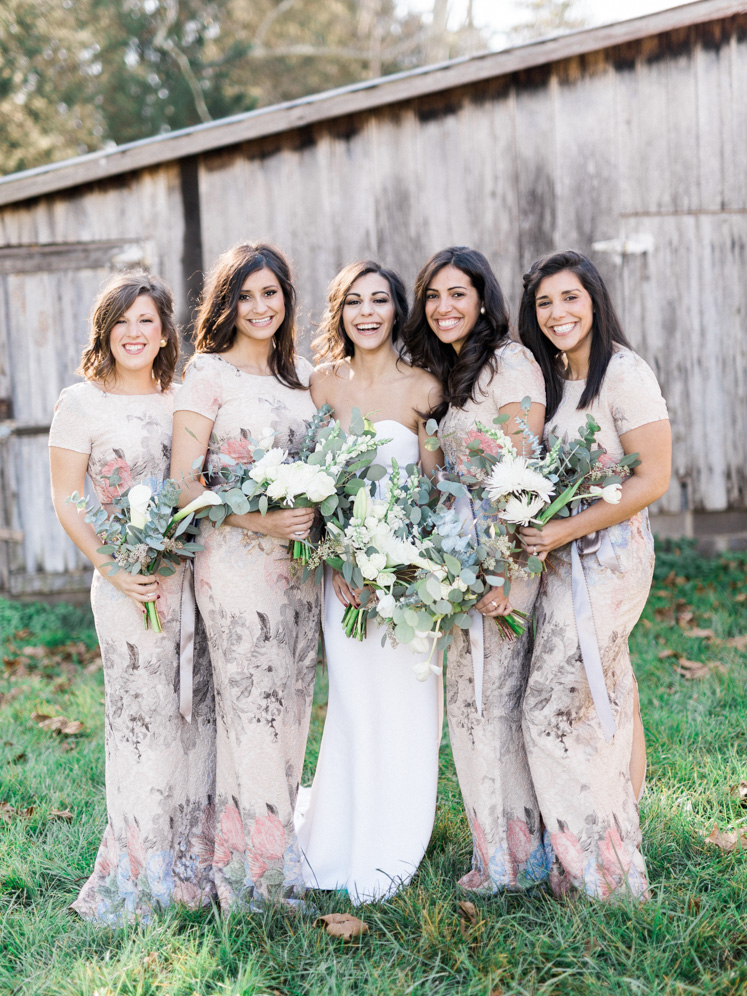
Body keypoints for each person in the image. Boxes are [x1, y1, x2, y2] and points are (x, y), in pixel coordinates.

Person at [49, 271, 216, 924]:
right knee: (141, 722)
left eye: (146, 320)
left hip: (192, 577)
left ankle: (193, 862)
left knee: (195, 714)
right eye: (121, 321)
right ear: (105, 330)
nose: (134, 333)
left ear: (164, 329)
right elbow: (68, 499)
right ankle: (137, 873)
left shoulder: (184, 397)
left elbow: (202, 481)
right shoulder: (80, 403)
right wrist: (113, 566)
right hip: (125, 584)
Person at [170, 242, 320, 911]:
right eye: (245, 295)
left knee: (290, 712)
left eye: (270, 293)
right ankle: (247, 881)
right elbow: (183, 483)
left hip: (302, 572)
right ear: (225, 303)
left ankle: (270, 856)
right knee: (249, 712)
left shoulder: (303, 380)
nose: (259, 307)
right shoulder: (207, 375)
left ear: (286, 299)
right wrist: (258, 523)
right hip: (235, 566)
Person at [517, 249, 671, 900]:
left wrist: (563, 529)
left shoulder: (622, 372)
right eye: (544, 303)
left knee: (551, 709)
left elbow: (651, 478)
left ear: (594, 301)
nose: (557, 313)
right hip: (559, 559)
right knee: (603, 702)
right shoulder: (552, 378)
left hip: (608, 557)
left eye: (569, 298)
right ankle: (596, 854)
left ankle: (598, 870)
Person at [294, 260, 443, 904]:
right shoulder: (321, 385)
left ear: (396, 309)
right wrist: (340, 563)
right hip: (343, 577)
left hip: (409, 582)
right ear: (340, 312)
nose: (368, 312)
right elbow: (311, 484)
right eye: (354, 301)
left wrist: (408, 564)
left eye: (380, 300)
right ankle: (338, 833)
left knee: (408, 701)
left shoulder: (425, 387)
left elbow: (437, 493)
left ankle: (398, 838)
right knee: (354, 703)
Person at [403, 246, 549, 892]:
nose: (443, 308)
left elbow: (523, 474)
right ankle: (495, 852)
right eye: (432, 296)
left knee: (498, 703)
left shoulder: (511, 365)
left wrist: (503, 572)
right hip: (458, 565)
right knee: (468, 707)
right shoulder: (444, 372)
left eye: (456, 294)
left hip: (505, 559)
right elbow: (436, 480)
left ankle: (524, 852)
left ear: (483, 299)